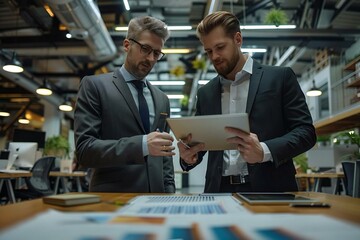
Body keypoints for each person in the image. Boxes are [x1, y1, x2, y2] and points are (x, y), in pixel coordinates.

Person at [178, 11, 317, 193]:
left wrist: (264, 151)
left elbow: (306, 132)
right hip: (218, 191)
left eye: (220, 47)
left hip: (271, 190)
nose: (214, 57)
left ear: (238, 39)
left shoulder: (279, 78)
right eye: (209, 51)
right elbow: (202, 144)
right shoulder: (206, 93)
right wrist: (189, 156)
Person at [74, 16, 176, 193]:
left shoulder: (162, 99)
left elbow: (164, 156)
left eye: (157, 53)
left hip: (158, 200)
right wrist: (142, 145)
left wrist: (169, 190)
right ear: (127, 45)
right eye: (145, 49)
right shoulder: (95, 86)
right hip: (113, 198)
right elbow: (85, 150)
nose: (151, 58)